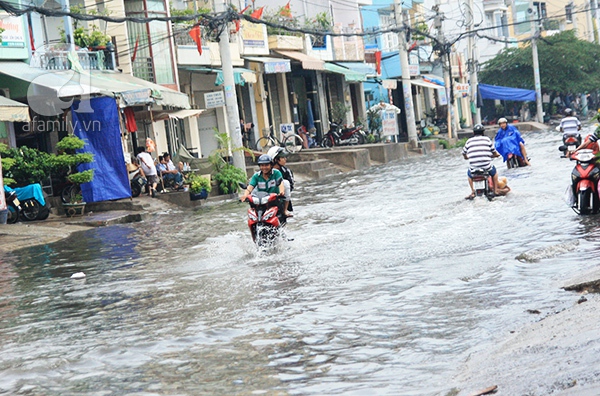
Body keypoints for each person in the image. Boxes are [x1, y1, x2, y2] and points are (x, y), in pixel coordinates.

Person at [463, 123, 501, 199]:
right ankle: (496, 190)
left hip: (474, 168)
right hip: (486, 167)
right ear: (483, 132)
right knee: (494, 173)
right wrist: (496, 155)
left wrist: (467, 157)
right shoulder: (487, 140)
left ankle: (473, 191)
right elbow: (493, 151)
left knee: (469, 175)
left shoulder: (469, 141)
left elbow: (464, 153)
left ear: (473, 133)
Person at [267, 146, 295, 217]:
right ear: (276, 160)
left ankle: (285, 210)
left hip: (281, 197)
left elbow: (291, 185)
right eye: (283, 157)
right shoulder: (265, 171)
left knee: (286, 183)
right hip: (267, 196)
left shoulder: (286, 171)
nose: (285, 159)